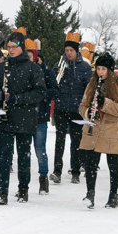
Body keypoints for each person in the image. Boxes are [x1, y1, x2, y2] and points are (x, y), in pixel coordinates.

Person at [0, 31, 46, 205]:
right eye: (9, 47)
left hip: (25, 117)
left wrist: (18, 98)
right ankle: (3, 191)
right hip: (4, 117)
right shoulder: (1, 67)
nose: (11, 50)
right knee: (4, 156)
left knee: (23, 155)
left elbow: (40, 92)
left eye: (14, 47)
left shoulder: (33, 68)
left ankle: (23, 189)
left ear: (22, 47)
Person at [78, 53, 118, 209]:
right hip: (93, 129)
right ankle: (90, 194)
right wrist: (89, 112)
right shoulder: (92, 84)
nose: (100, 72)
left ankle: (113, 195)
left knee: (113, 164)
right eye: (98, 69)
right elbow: (82, 106)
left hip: (112, 130)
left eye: (103, 69)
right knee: (91, 164)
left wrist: (105, 104)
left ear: (110, 70)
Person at [50, 32, 92, 184]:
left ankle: (75, 171)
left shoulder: (85, 67)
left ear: (76, 51)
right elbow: (54, 85)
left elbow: (89, 88)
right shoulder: (59, 65)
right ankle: (57, 170)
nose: (68, 53)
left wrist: (84, 104)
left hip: (76, 109)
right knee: (59, 140)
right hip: (61, 108)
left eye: (71, 51)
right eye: (66, 50)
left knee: (76, 141)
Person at [25, 38, 59, 195]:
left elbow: (55, 91)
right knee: (24, 150)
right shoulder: (21, 71)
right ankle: (23, 182)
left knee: (40, 149)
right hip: (24, 116)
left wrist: (41, 95)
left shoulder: (46, 72)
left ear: (35, 55)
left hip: (40, 115)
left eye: (30, 55)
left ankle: (43, 178)